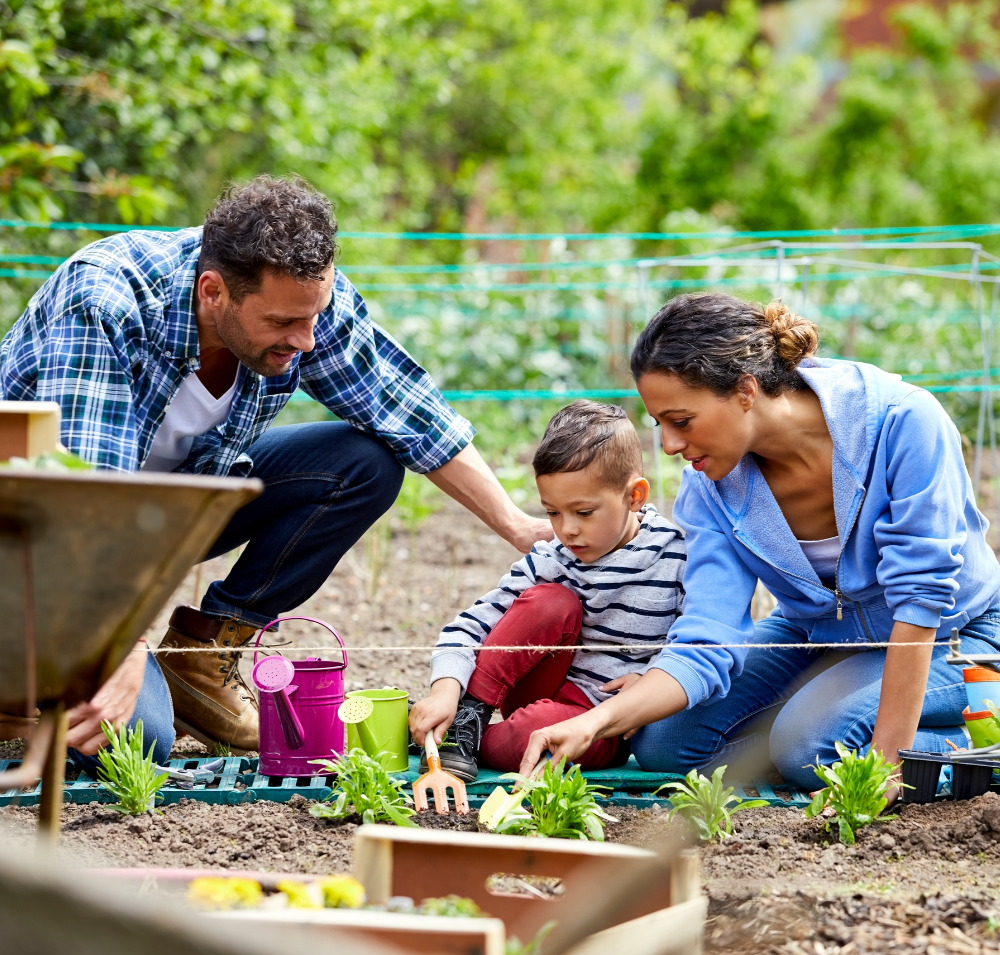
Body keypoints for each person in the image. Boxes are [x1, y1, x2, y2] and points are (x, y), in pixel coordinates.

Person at [0, 175, 550, 767]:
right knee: (136, 738)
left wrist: (519, 527)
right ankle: (19, 689)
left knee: (363, 463)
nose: (308, 339)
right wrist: (125, 647)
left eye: (313, 316)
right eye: (285, 323)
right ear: (214, 292)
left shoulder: (301, 301)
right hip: (36, 544)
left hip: (165, 516)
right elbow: (84, 498)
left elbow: (409, 412)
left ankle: (197, 664)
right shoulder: (106, 301)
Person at [516, 293, 1000, 794]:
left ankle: (978, 738)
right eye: (659, 424)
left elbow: (920, 599)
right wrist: (596, 721)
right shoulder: (710, 487)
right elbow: (708, 633)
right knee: (664, 744)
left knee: (810, 748)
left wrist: (887, 766)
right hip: (817, 635)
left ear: (746, 391)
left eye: (681, 421)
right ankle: (812, 727)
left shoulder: (902, 421)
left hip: (957, 636)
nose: (668, 445)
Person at [407, 400, 686, 778]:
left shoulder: (676, 556)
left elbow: (696, 641)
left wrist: (652, 680)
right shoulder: (554, 557)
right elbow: (471, 626)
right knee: (551, 602)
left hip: (602, 722)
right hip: (538, 684)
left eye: (583, 512)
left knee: (531, 736)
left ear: (634, 496)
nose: (566, 529)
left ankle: (440, 736)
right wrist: (446, 689)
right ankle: (463, 717)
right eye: (552, 512)